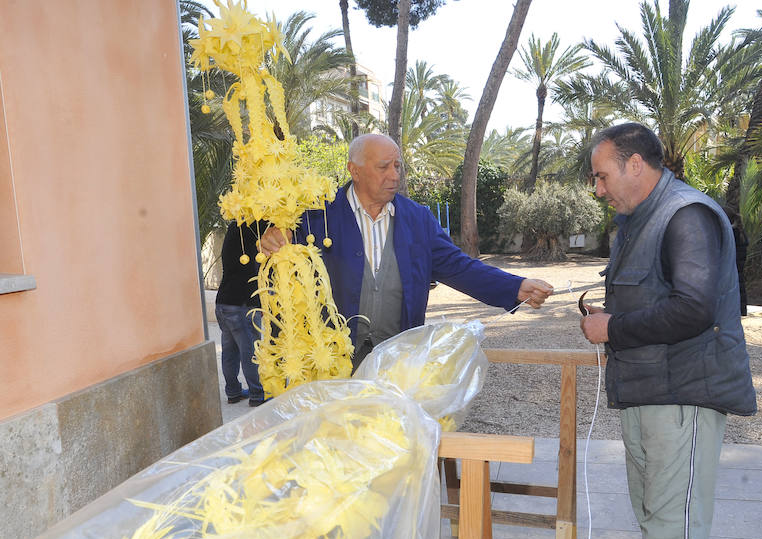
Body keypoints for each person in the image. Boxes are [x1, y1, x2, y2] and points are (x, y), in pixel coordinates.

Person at [579, 123, 757, 539]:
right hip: (648, 394)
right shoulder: (640, 219)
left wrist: (611, 328)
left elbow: (694, 309)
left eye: (601, 176)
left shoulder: (686, 214)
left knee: (673, 527)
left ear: (635, 164)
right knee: (656, 516)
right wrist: (612, 319)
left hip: (683, 398)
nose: (598, 190)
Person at [260, 133, 553, 368]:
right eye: (383, 167)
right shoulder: (315, 215)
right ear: (355, 170)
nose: (394, 175)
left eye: (397, 166)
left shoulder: (418, 219)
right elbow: (274, 266)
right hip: (330, 363)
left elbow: (459, 267)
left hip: (396, 359)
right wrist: (271, 240)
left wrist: (516, 287)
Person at [215, 220, 268, 407]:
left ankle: (233, 392)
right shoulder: (251, 230)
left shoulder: (233, 229)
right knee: (250, 352)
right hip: (241, 303)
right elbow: (253, 271)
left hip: (223, 301)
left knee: (229, 351)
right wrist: (260, 303)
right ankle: (257, 394)